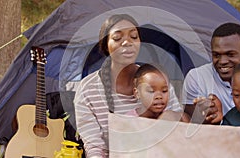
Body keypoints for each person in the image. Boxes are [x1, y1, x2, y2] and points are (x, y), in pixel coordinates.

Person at [74, 14, 183, 158]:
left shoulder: (158, 81)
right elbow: (94, 148)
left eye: (134, 36)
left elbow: (178, 129)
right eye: (117, 38)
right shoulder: (87, 90)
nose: (127, 42)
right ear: (105, 45)